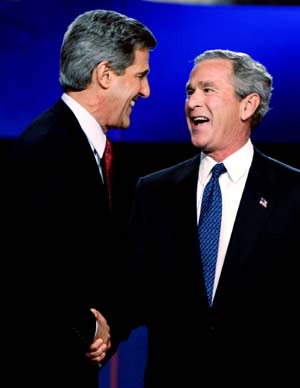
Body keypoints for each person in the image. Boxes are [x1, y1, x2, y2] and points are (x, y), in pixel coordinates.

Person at [93, 49, 300, 387]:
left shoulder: (292, 193)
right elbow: (130, 292)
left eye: (207, 90)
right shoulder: (155, 191)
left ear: (247, 105)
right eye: (190, 92)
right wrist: (97, 331)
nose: (192, 103)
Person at [2, 9, 156, 388]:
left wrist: (106, 328)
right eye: (140, 75)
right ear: (105, 75)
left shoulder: (76, 143)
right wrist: (87, 327)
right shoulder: (47, 148)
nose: (146, 90)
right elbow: (30, 267)